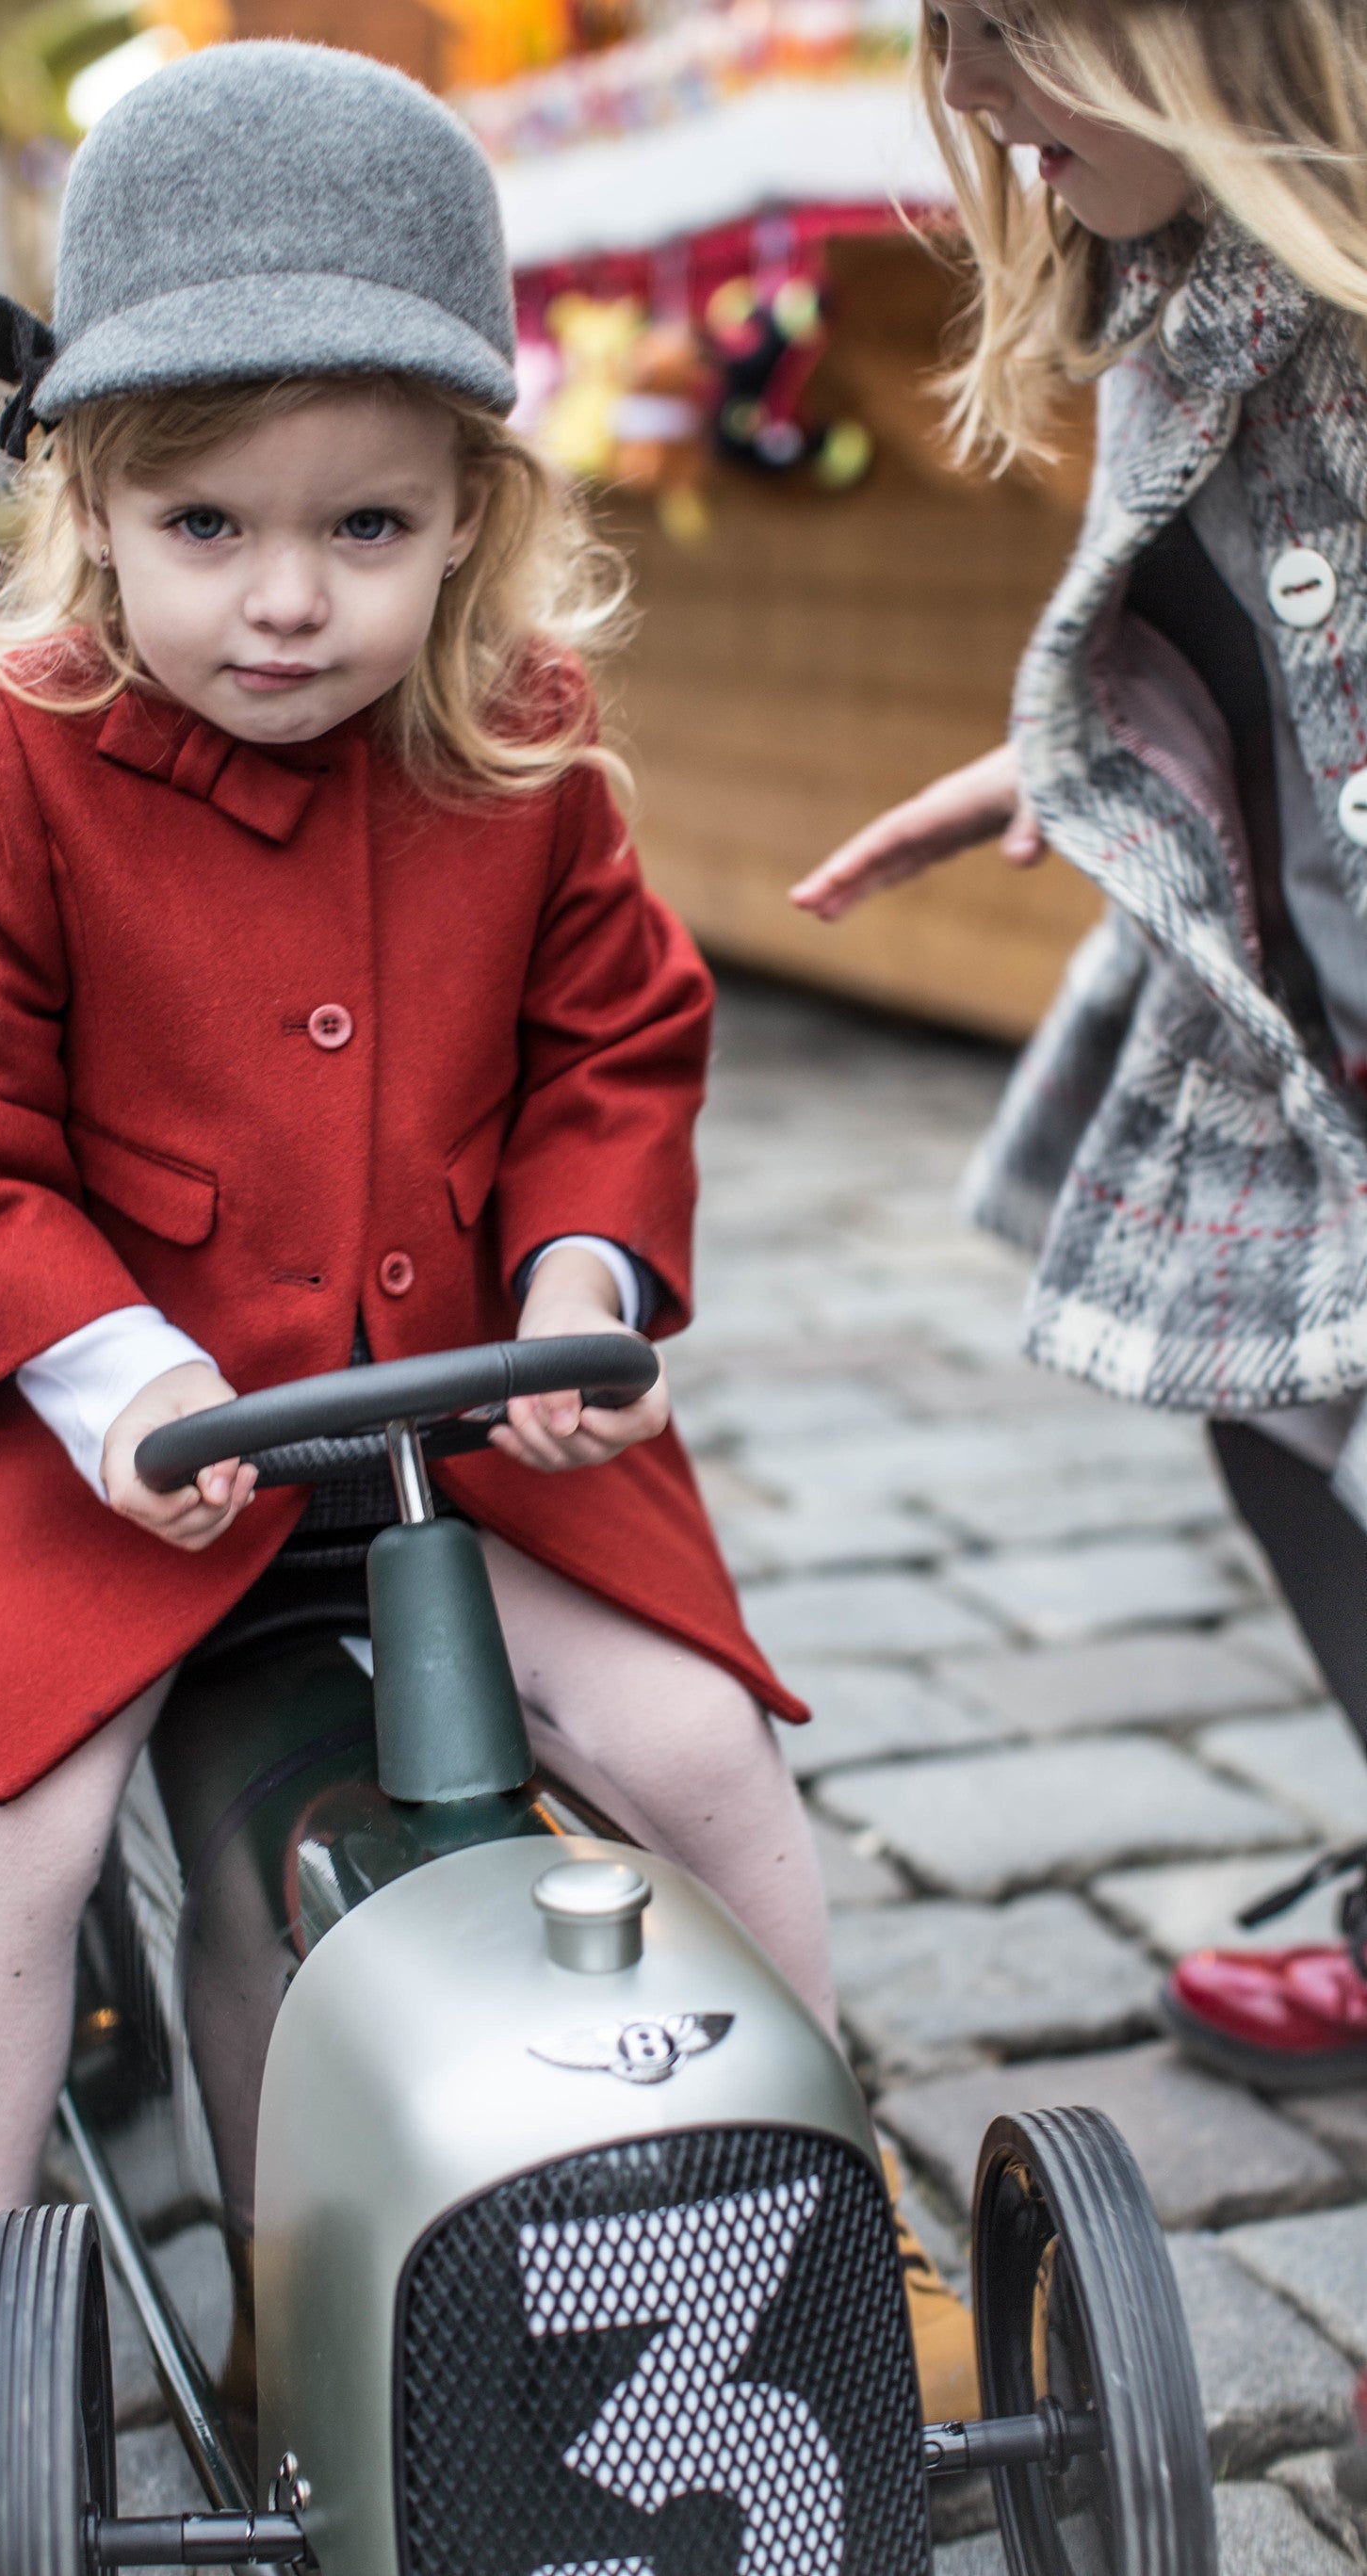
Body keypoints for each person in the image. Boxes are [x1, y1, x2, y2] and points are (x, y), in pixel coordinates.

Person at [0, 46, 973, 2576]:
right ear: (81, 505)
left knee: (689, 1742)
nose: (285, 599)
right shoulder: (18, 754)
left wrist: (577, 1268)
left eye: (365, 524)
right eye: (202, 523)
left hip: (462, 1414)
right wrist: (117, 1374)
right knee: (3, 1815)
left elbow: (613, 1038)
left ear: (475, 518)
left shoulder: (516, 744)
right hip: (116, 1438)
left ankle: (837, 2189)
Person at [792, 3, 1367, 2098]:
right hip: (1295, 1020)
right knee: (1254, 1380)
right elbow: (1273, 632)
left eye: (1003, 29)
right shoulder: (1179, 293)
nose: (958, 91)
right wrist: (1073, 744)